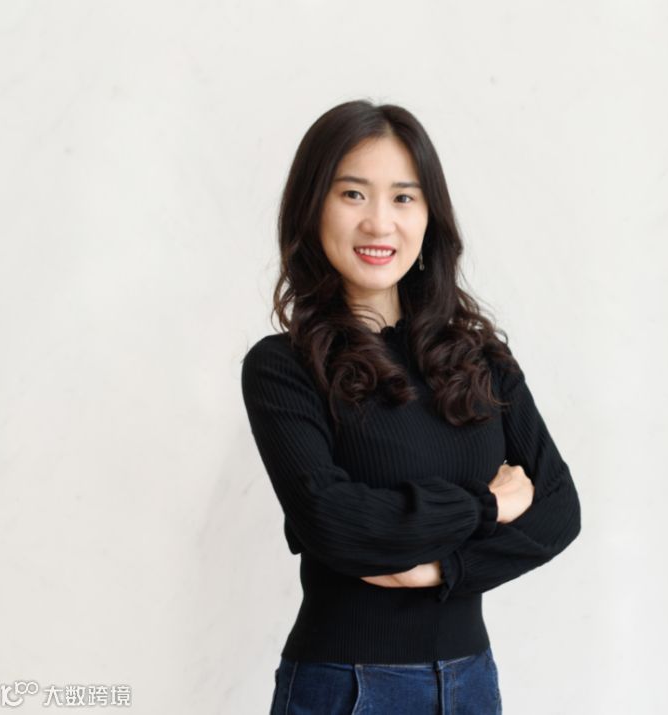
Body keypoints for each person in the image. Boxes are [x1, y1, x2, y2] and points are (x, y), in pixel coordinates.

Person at [240, 99, 582, 714]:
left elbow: (558, 508)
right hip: (346, 687)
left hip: (472, 683)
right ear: (313, 207)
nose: (379, 223)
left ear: (429, 216)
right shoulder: (283, 368)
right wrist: (487, 506)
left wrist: (440, 571)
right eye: (353, 194)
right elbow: (332, 521)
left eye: (403, 197)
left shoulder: (479, 357)